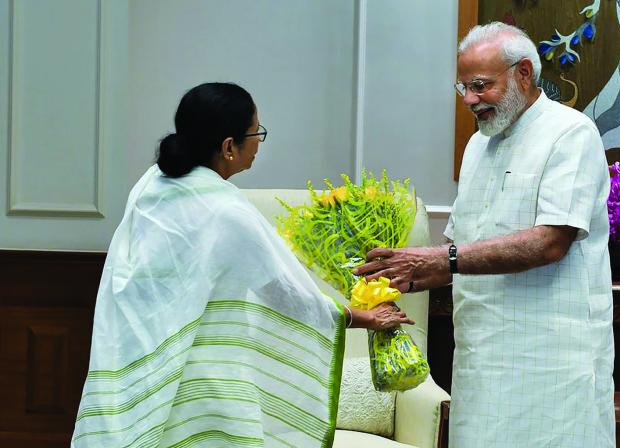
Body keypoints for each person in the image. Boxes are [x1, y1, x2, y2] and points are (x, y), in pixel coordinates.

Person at [71, 82, 412, 448]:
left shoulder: (150, 184)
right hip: (202, 372)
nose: (258, 143)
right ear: (228, 147)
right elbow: (283, 292)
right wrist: (363, 317)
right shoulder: (225, 210)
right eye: (256, 133)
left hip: (139, 353)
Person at [354, 23, 615, 447]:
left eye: (480, 86)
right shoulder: (478, 145)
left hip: (550, 361)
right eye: (463, 89)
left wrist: (440, 260)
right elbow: (460, 250)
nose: (470, 100)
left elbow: (550, 241)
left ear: (524, 74)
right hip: (480, 358)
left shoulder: (571, 133)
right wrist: (402, 275)